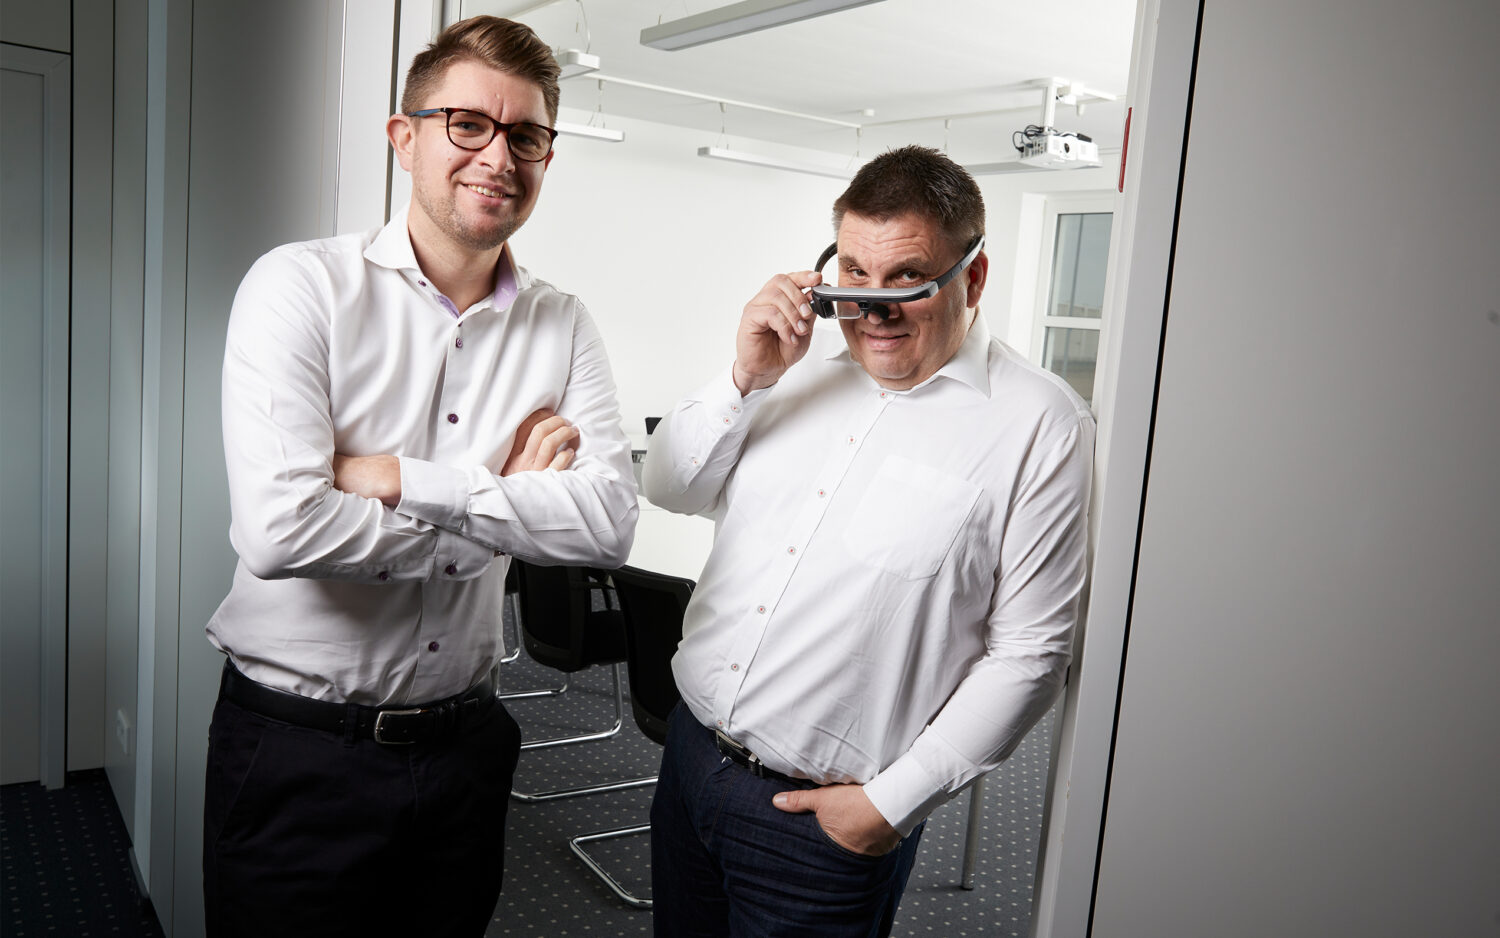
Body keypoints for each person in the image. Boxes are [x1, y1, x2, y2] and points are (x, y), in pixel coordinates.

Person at [202, 16, 637, 938]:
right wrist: (501, 496)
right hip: (298, 748)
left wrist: (399, 479)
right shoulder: (300, 287)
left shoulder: (563, 322)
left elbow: (606, 525)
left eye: (527, 135)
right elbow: (280, 533)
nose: (499, 157)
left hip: (467, 747)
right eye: (467, 124)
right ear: (405, 138)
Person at [641, 145, 1095, 937]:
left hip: (819, 827)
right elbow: (670, 487)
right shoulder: (796, 367)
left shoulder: (1041, 425)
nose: (873, 309)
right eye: (854, 274)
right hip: (690, 759)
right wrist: (745, 376)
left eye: (906, 279)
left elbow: (1031, 654)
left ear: (974, 279)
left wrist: (888, 807)